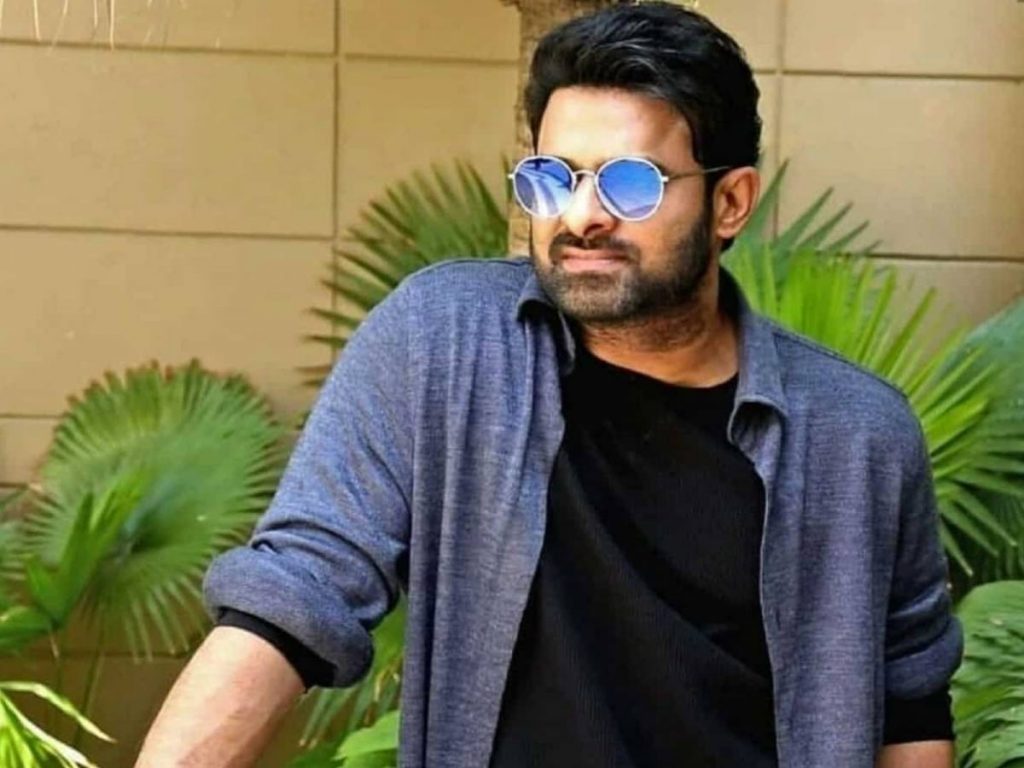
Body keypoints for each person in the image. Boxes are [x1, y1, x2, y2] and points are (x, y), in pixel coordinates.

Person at [136, 4, 962, 767]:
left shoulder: (858, 437)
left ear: (731, 202)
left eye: (630, 182)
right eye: (552, 178)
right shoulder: (443, 343)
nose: (580, 216)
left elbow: (911, 707)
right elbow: (295, 595)